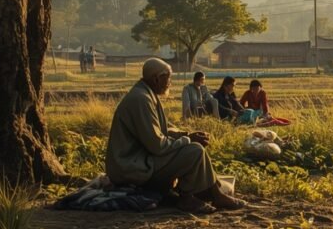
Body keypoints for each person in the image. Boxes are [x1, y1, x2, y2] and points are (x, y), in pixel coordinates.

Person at [105, 58, 245, 213]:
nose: (170, 82)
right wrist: (188, 140)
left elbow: (162, 129)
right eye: (168, 77)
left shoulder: (146, 94)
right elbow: (158, 145)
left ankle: (214, 193)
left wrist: (186, 134)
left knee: (194, 147)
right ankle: (189, 197)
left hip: (141, 159)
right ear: (157, 79)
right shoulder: (141, 99)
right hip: (131, 168)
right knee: (194, 151)